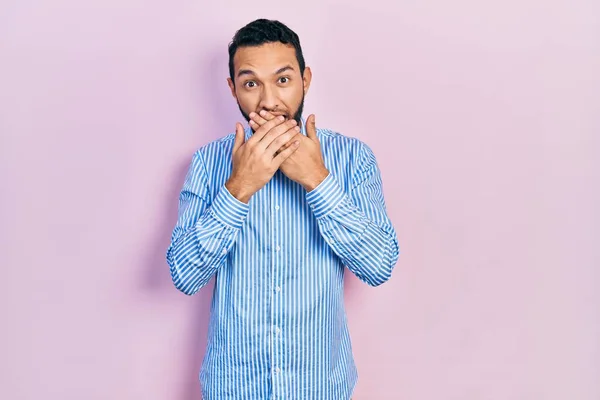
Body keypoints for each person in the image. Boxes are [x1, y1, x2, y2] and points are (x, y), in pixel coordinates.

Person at [166, 18, 400, 400]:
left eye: (283, 80)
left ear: (306, 79)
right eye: (251, 83)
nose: (269, 101)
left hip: (320, 387)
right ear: (233, 89)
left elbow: (378, 266)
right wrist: (240, 186)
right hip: (233, 388)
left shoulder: (352, 158)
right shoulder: (209, 164)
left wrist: (317, 179)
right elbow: (184, 275)